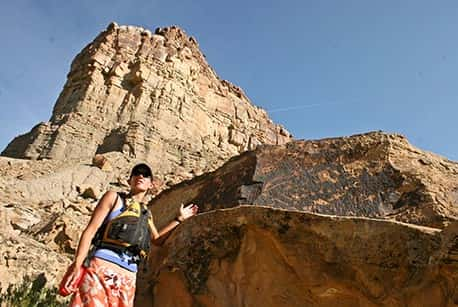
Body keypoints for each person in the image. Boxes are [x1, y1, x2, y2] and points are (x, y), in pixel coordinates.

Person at [63, 163, 198, 306]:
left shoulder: (146, 213)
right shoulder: (113, 198)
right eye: (136, 173)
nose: (140, 176)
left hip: (128, 276)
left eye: (145, 174)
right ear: (129, 181)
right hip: (100, 268)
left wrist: (179, 219)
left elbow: (157, 240)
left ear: (151, 185)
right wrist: (77, 264)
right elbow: (90, 230)